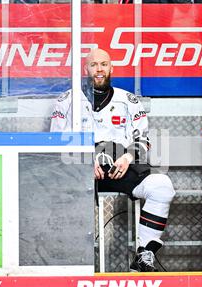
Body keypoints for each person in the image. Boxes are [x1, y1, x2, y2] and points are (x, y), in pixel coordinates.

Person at [50, 48, 176, 272]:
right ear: (85, 69)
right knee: (57, 190)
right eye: (94, 65)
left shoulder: (128, 101)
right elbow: (55, 141)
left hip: (120, 168)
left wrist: (127, 157)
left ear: (111, 68)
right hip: (80, 170)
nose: (99, 69)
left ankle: (143, 255)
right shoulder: (68, 100)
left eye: (104, 64)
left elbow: (144, 141)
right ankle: (70, 262)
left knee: (162, 186)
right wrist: (84, 161)